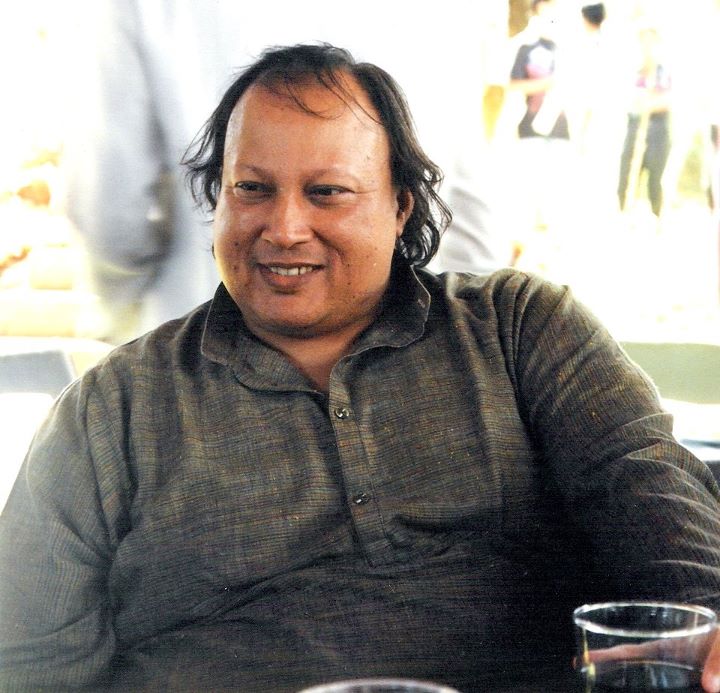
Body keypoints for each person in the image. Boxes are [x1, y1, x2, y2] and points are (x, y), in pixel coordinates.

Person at [2, 44, 720, 693]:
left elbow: (659, 509)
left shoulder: (520, 330)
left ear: (401, 206)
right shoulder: (108, 413)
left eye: (327, 192)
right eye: (251, 188)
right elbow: (27, 664)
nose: (284, 228)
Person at [62, 0, 504, 345]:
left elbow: (109, 209)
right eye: (253, 187)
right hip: (402, 347)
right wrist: (458, 341)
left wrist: (124, 317)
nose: (289, 231)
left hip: (203, 345)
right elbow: (469, 211)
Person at [617, 24, 673, 218]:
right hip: (635, 126)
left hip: (658, 129)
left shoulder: (664, 71)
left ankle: (657, 218)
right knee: (627, 175)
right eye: (644, 41)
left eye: (651, 41)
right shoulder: (634, 71)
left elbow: (668, 100)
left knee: (655, 180)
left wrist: (650, 103)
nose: (647, 45)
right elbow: (629, 99)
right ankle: (625, 214)